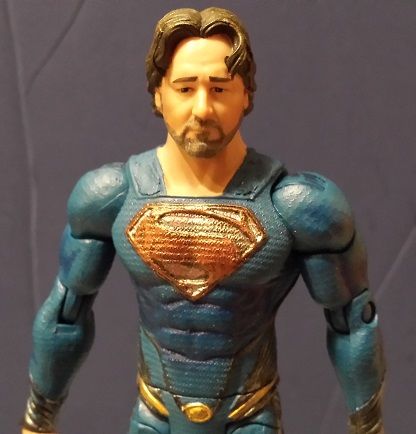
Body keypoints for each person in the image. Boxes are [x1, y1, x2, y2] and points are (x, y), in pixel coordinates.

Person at [22, 7, 385, 434]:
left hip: (249, 415)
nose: (202, 108)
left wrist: (368, 426)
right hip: (154, 414)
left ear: (246, 94)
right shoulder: (112, 197)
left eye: (219, 88)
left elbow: (352, 323)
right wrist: (38, 419)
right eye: (184, 88)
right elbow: (66, 314)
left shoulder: (296, 207)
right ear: (158, 93)